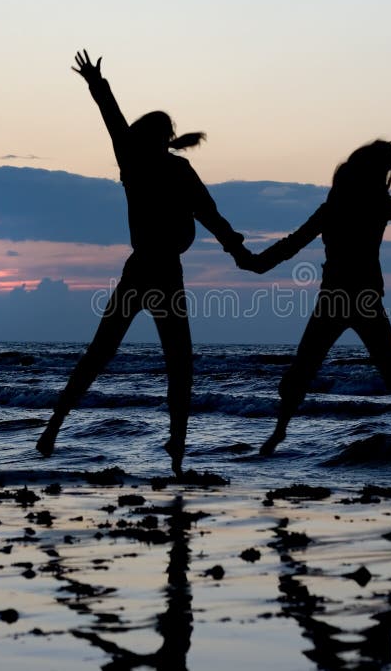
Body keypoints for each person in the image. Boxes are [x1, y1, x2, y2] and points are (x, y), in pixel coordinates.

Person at [36, 50, 249, 476]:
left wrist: (98, 84)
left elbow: (113, 120)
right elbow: (210, 215)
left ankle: (53, 430)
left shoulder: (134, 161)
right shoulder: (169, 167)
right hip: (164, 272)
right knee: (177, 361)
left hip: (141, 271)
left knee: (101, 354)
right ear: (164, 136)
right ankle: (176, 444)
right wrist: (237, 249)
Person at [237, 139, 391, 456]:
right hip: (362, 298)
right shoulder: (372, 206)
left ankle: (279, 432)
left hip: (337, 298)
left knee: (309, 366)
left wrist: (259, 263)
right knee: (384, 360)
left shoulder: (338, 208)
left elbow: (292, 243)